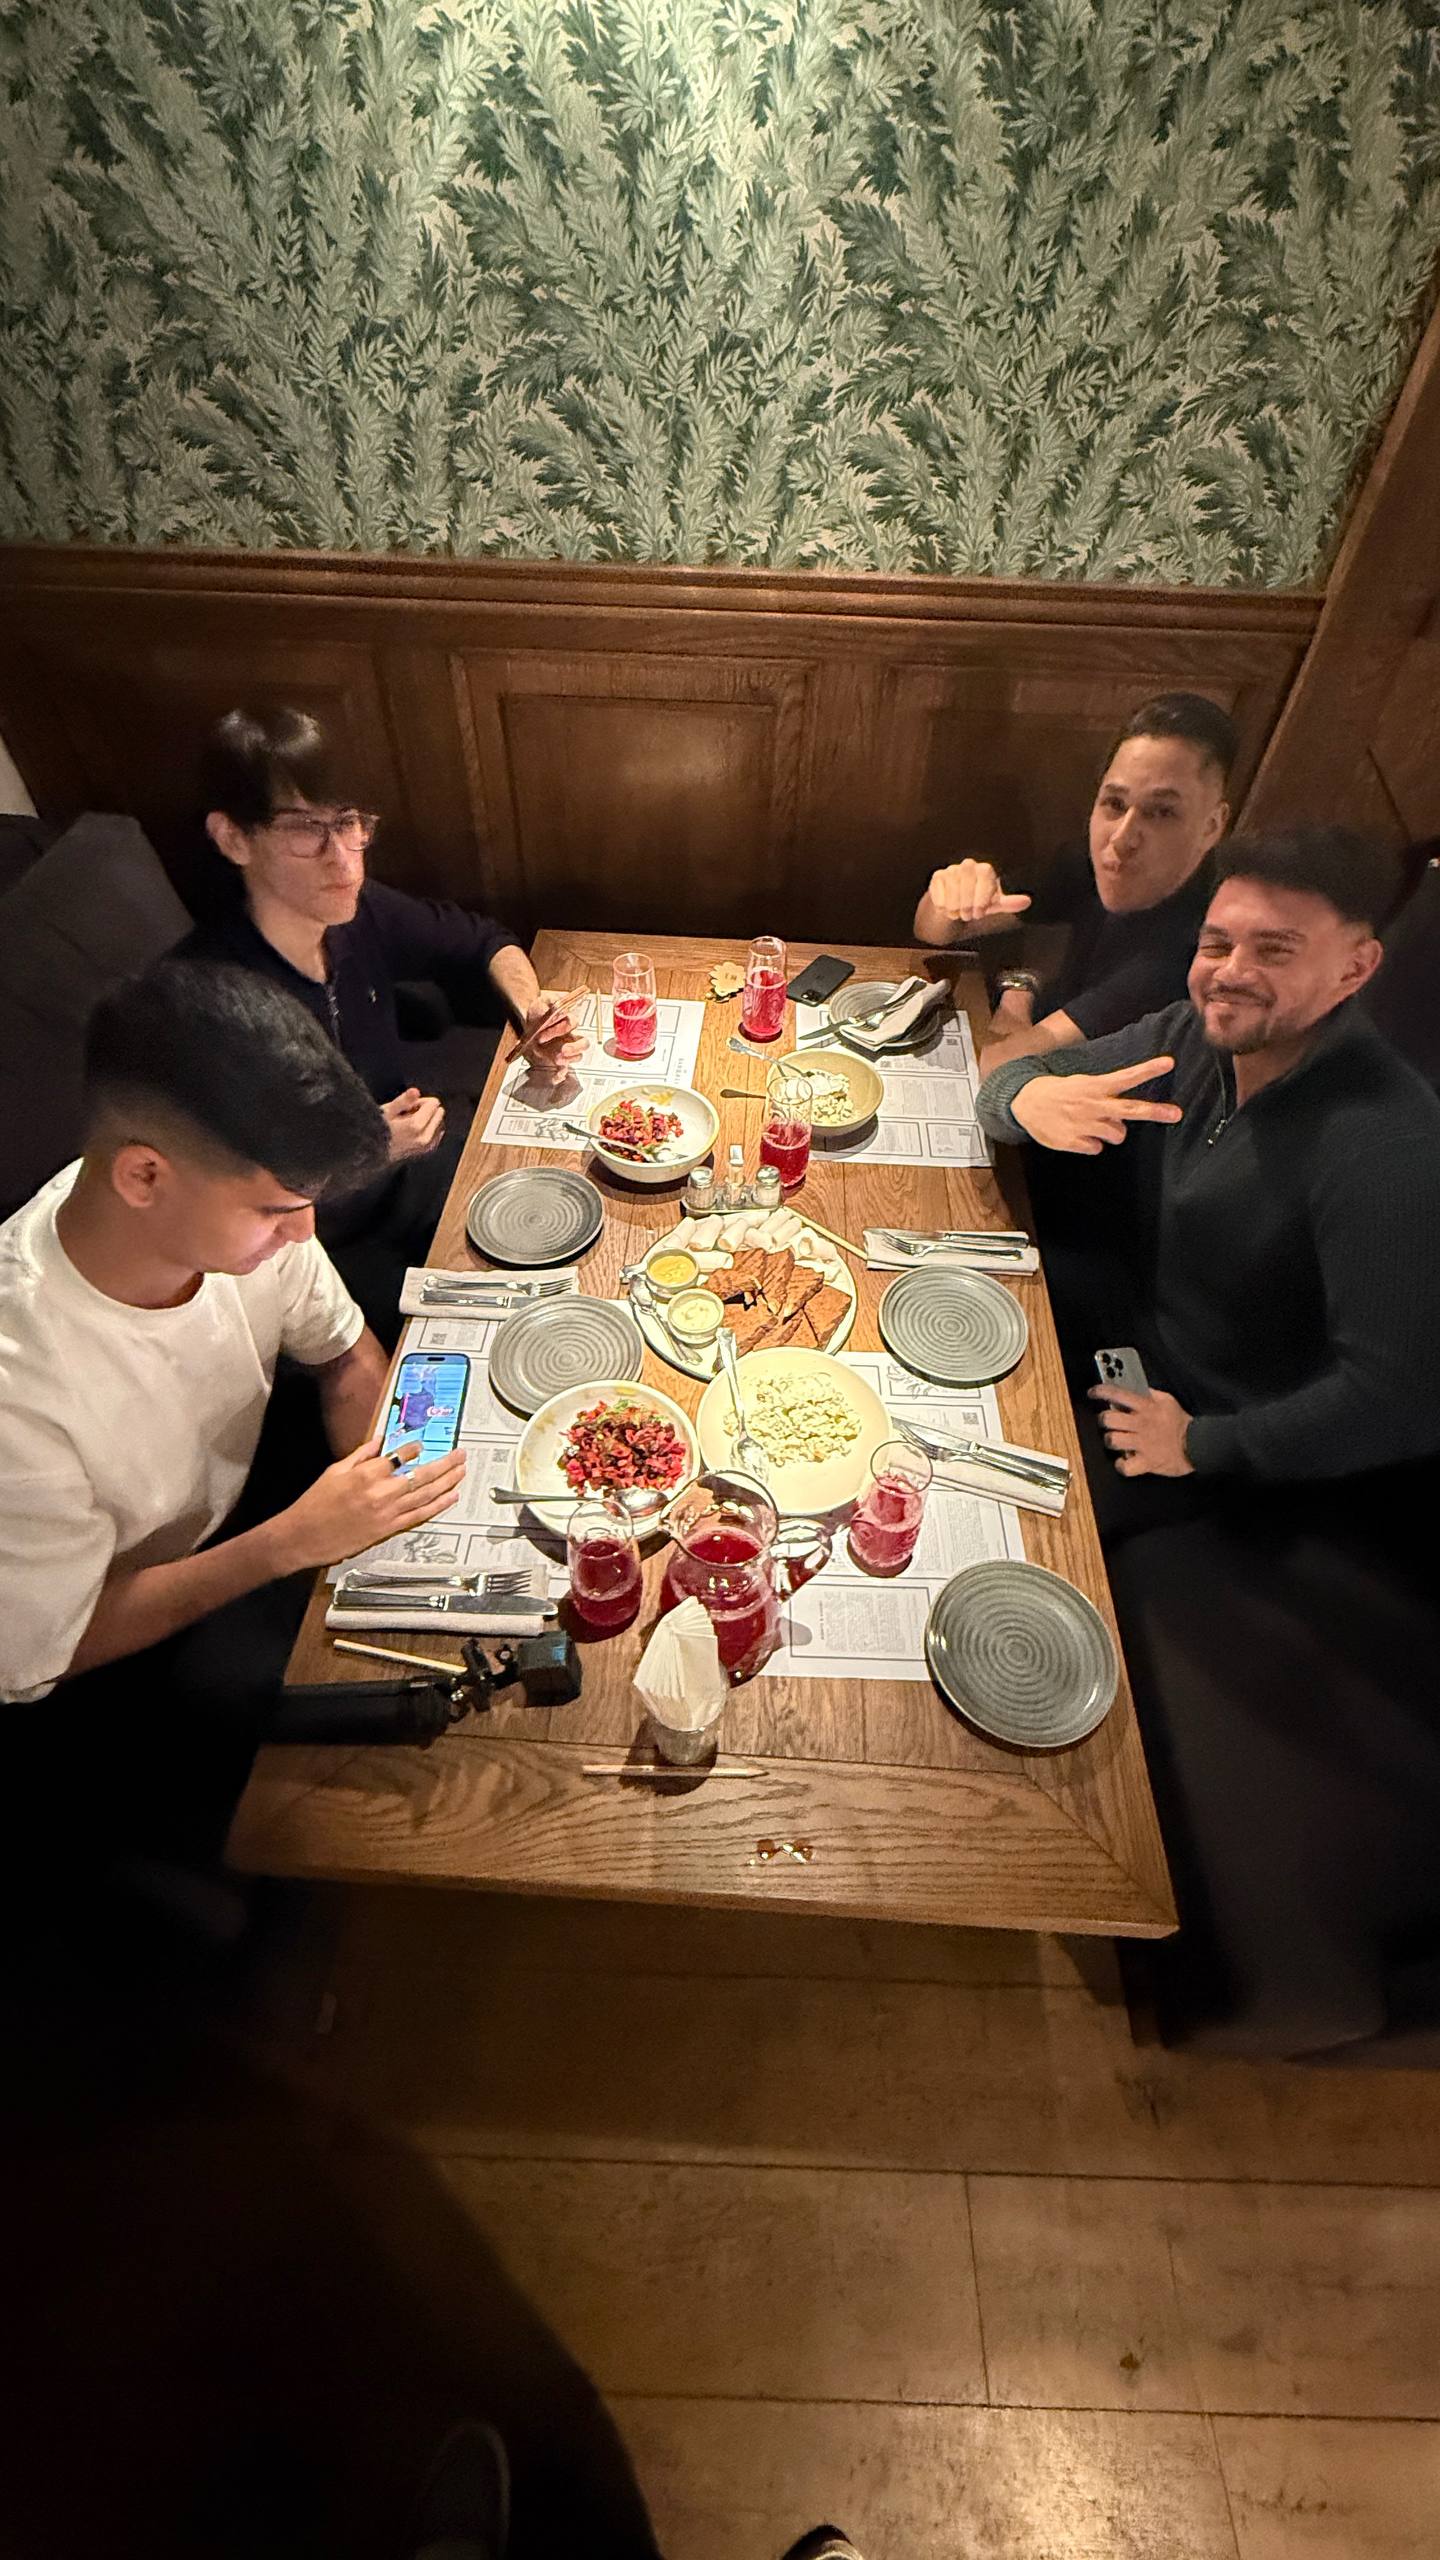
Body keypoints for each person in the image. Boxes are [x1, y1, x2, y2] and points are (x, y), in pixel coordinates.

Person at [0, 958, 466, 1882]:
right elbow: (45, 1650)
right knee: (421, 1772)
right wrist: (290, 1543)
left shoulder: (239, 1222)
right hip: (113, 1654)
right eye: (278, 1211)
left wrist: (392, 1488)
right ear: (144, 1175)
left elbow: (343, 1355)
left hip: (253, 1510)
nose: (302, 1234)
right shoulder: (22, 1387)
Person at [974, 827, 1440, 1527]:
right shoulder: (1188, 1034)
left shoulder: (1387, 1144)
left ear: (1355, 968)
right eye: (1217, 944)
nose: (1231, 972)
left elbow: (1398, 1401)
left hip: (1227, 1447)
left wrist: (1198, 1443)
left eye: (1274, 950)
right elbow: (1005, 1078)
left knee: (984, 1519)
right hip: (1134, 1333)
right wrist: (1025, 1098)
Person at [180, 706, 586, 1339]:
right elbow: (222, 1207)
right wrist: (365, 1152)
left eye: (348, 824)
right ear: (234, 838)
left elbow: (484, 941)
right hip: (320, 1250)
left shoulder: (356, 914)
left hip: (414, 1172)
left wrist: (531, 1008)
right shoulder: (209, 1003)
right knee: (528, 1332)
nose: (344, 861)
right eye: (305, 829)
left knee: (575, 1207)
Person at [914, 691, 1236, 1071]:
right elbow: (932, 930)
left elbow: (1006, 1062)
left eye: (1162, 812)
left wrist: (1018, 998)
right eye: (1115, 804)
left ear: (1212, 826)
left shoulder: (1203, 944)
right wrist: (950, 895)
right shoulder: (1090, 860)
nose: (1122, 838)